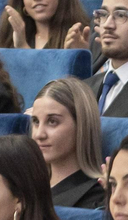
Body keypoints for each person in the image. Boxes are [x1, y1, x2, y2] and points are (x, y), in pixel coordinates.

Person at [28, 78, 107, 211]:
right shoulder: (24, 187)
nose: (39, 134)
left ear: (81, 126)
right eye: (36, 122)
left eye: (52, 121)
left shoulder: (97, 201)